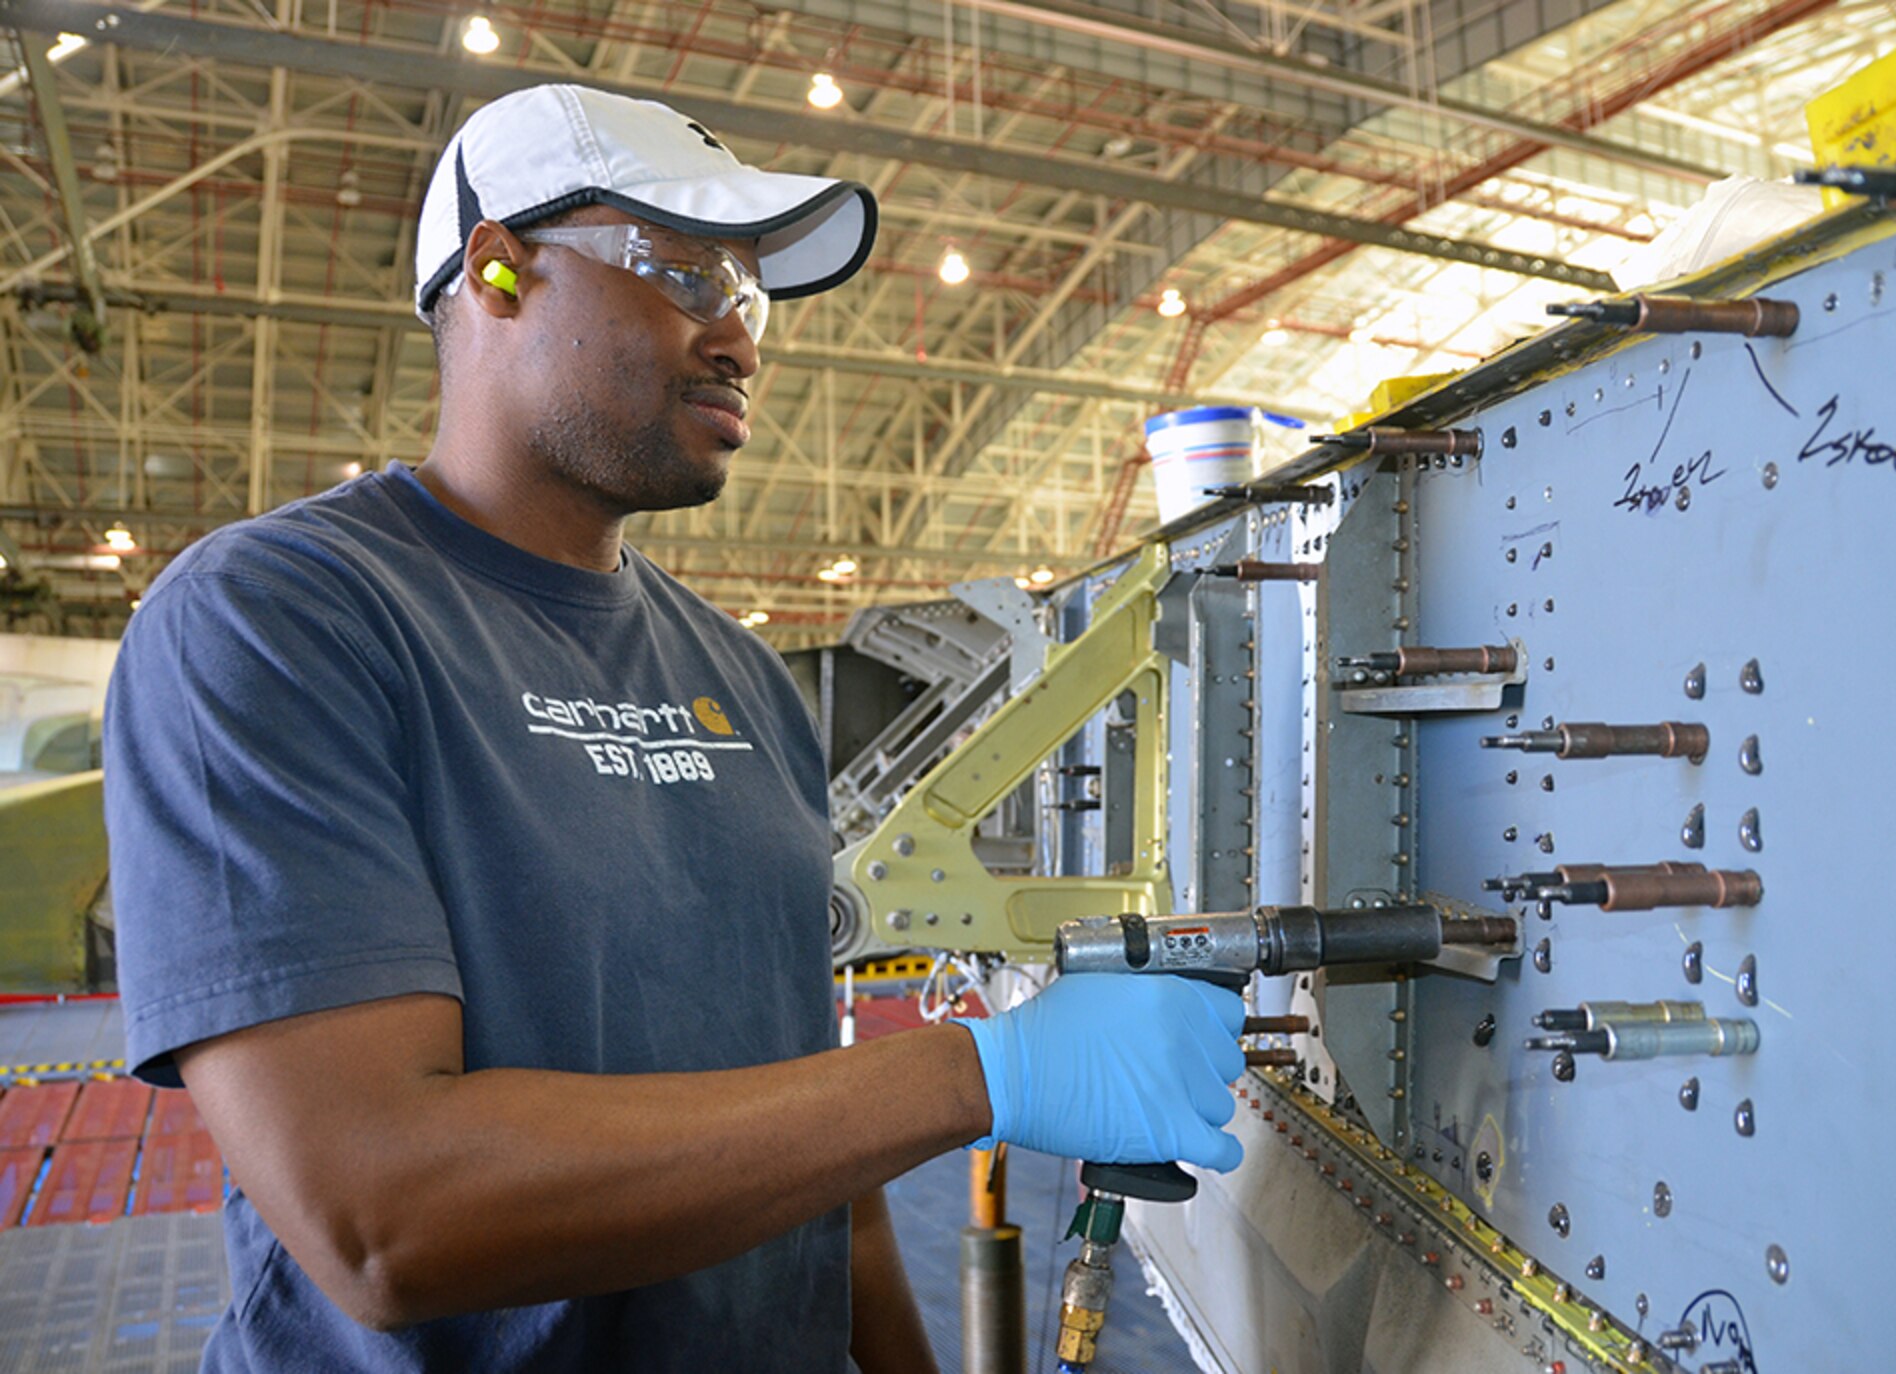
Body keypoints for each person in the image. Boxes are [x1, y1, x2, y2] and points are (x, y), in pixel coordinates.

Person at [102, 84, 1244, 1373]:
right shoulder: (281, 619)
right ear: (499, 272)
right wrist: (980, 1076)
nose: (742, 340)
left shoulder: (741, 680)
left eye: (750, 297)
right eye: (687, 274)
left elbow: (823, 1170)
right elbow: (380, 1216)